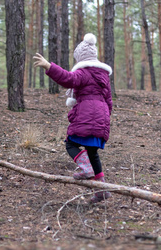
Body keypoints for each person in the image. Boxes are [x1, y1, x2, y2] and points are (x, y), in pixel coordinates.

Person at [33, 33, 113, 203]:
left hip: (86, 114)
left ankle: (86, 169)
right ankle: (102, 189)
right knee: (92, 152)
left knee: (71, 143)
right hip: (102, 116)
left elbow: (67, 79)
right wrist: (106, 119)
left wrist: (49, 66)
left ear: (81, 58)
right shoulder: (103, 75)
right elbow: (109, 100)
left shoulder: (83, 73)